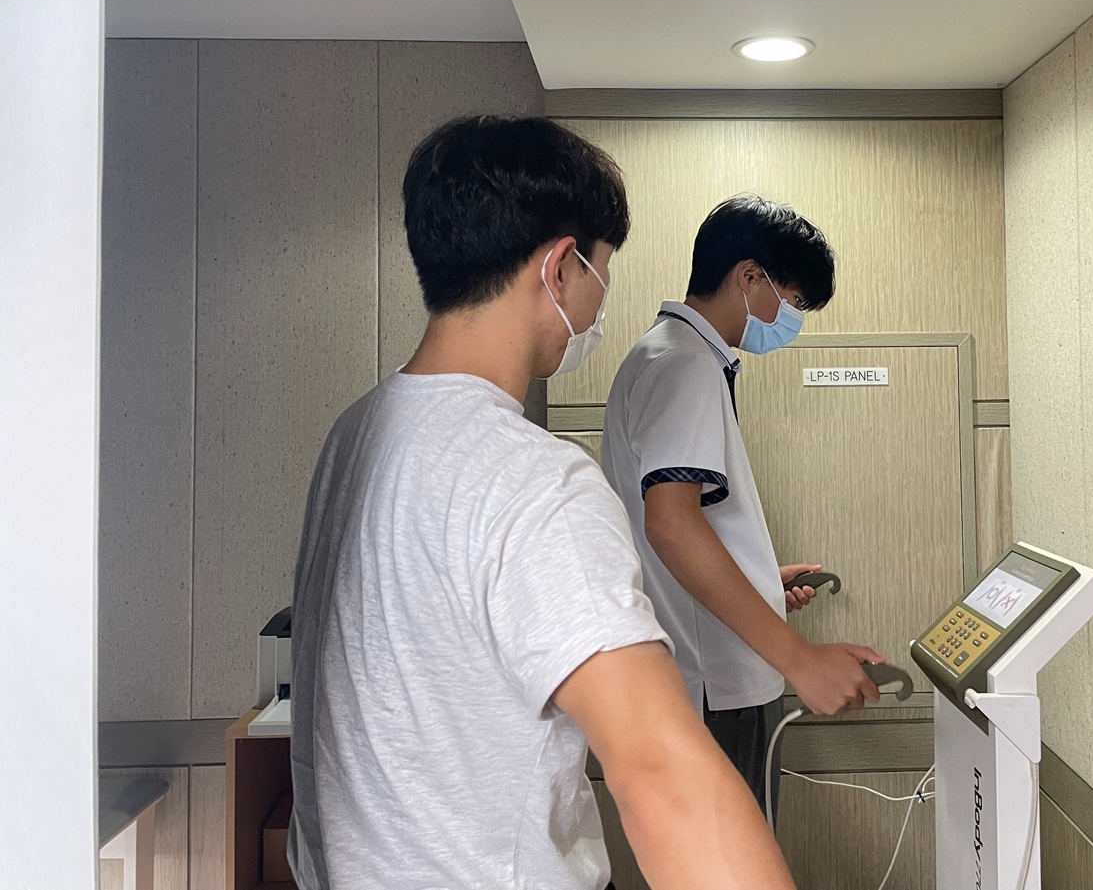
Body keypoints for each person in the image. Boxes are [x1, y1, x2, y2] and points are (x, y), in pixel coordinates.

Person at [288, 119, 794, 890]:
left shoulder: (354, 434)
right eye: (601, 270)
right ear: (560, 267)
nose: (600, 300)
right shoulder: (533, 477)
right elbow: (664, 780)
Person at [601, 196, 883, 819]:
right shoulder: (685, 365)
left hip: (697, 675)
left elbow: (678, 523)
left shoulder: (665, 354)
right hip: (714, 690)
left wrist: (759, 581)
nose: (792, 320)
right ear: (750, 277)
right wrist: (799, 658)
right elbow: (671, 525)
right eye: (793, 301)